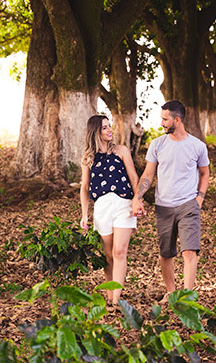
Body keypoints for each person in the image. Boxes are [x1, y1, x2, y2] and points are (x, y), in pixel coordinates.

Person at [131, 100, 210, 302]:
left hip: (188, 205)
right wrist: (138, 197)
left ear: (177, 119)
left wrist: (199, 198)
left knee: (189, 251)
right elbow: (148, 174)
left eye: (165, 119)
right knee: (166, 253)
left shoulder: (197, 146)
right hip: (163, 206)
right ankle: (172, 292)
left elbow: (204, 173)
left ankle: (186, 296)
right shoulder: (157, 145)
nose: (162, 123)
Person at [79, 115, 140, 304]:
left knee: (120, 252)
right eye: (104, 128)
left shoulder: (121, 150)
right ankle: (109, 293)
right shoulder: (88, 158)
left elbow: (133, 177)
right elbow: (84, 187)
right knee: (108, 256)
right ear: (96, 131)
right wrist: (84, 215)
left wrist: (137, 200)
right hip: (102, 208)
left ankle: (116, 300)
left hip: (124, 204)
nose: (109, 130)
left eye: (109, 126)